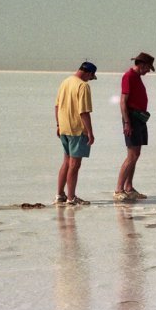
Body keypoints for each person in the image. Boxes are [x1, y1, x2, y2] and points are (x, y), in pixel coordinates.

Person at [54, 61, 97, 206]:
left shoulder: (65, 82)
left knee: (66, 161)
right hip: (77, 129)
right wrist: (90, 132)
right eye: (91, 77)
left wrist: (58, 124)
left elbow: (57, 105)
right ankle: (71, 198)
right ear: (88, 73)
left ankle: (60, 194)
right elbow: (84, 111)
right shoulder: (83, 86)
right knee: (74, 164)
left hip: (64, 128)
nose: (90, 80)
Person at [114, 52, 155, 201]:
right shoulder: (129, 76)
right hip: (131, 118)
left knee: (136, 154)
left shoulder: (136, 77)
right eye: (148, 67)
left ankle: (129, 187)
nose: (148, 71)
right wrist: (127, 122)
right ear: (142, 65)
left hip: (139, 119)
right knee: (131, 155)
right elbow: (123, 101)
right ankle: (119, 189)